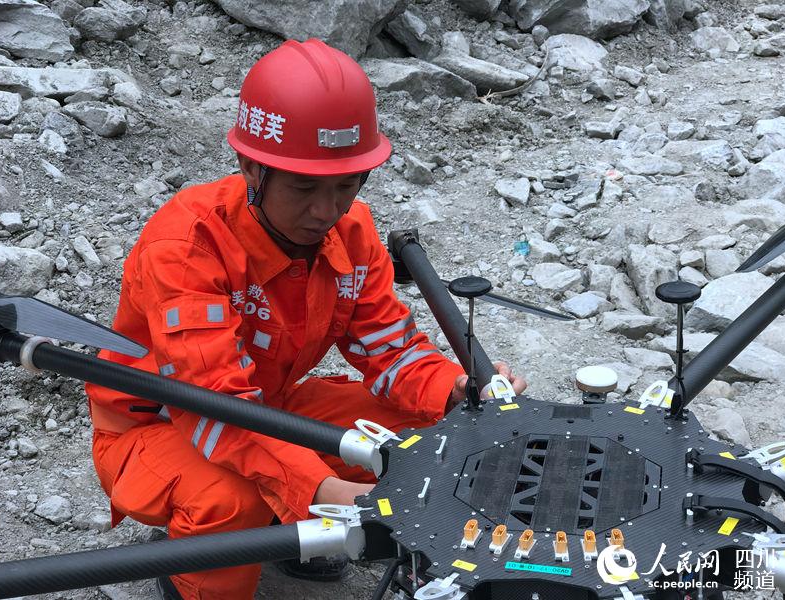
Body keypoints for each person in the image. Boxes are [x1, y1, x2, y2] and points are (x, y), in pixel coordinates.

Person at [85, 38, 526, 600]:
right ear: (251, 167)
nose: (327, 211)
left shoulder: (351, 230)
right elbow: (214, 405)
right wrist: (324, 489)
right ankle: (192, 571)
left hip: (271, 407)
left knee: (436, 433)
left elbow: (391, 349)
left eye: (347, 185)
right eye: (303, 187)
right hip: (162, 426)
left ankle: (284, 522)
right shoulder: (186, 247)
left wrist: (457, 389)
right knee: (229, 499)